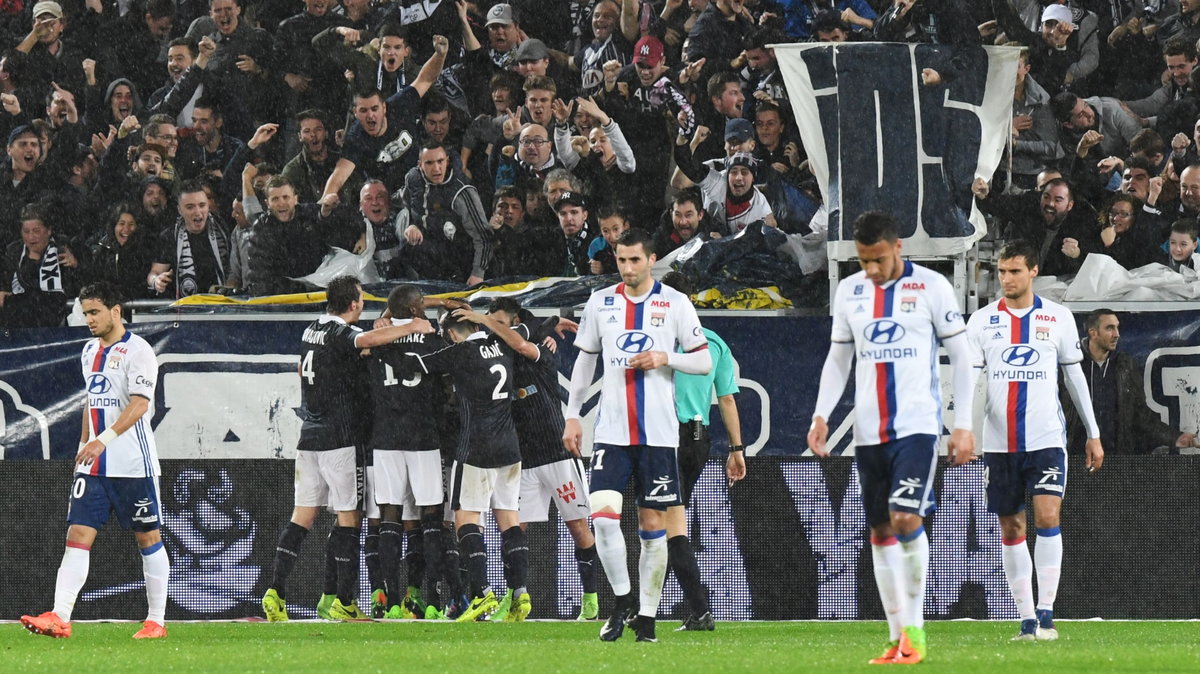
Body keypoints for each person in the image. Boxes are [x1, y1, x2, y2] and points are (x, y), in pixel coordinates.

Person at [806, 211, 976, 665]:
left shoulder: (932, 287)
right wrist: (822, 414)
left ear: (897, 246)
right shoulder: (850, 291)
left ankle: (916, 632)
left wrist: (963, 424)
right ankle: (895, 635)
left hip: (917, 427)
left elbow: (962, 356)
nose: (871, 270)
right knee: (880, 529)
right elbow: (839, 359)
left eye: (878, 259)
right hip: (868, 433)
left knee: (904, 519)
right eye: (863, 261)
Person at [563, 227, 712, 643]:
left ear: (651, 259)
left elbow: (703, 363)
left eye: (634, 260)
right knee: (603, 517)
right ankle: (624, 598)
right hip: (611, 433)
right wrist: (573, 415)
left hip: (660, 436)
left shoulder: (675, 303)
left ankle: (646, 616)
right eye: (620, 259)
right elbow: (584, 362)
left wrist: (666, 357)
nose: (626, 267)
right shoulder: (600, 302)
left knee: (652, 529)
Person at [262, 276, 434, 622]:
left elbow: (306, 367)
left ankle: (275, 591)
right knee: (349, 521)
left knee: (301, 518)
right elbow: (366, 339)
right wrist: (413, 325)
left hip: (308, 437)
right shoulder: (343, 334)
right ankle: (344, 601)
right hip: (339, 439)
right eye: (360, 299)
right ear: (354, 304)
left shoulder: (311, 330)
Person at [964, 240, 1103, 642]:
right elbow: (972, 381)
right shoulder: (981, 321)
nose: (1005, 279)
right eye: (1001, 271)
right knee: (1011, 527)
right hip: (998, 442)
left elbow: (1074, 377)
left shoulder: (1058, 318)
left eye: (1014, 271)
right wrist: (966, 429)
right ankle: (1025, 620)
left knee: (1046, 517)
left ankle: (1046, 615)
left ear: (1033, 271)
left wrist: (1092, 434)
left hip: (1045, 437)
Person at [20, 282, 170, 640]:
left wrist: (103, 440)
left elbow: (140, 404)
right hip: (95, 464)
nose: (88, 319)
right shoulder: (89, 351)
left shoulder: (139, 350)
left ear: (115, 311)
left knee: (147, 536)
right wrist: (84, 442)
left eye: (94, 312)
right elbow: (92, 399)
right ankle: (60, 616)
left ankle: (156, 621)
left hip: (133, 462)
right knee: (77, 534)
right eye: (85, 313)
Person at [407, 307, 541, 623]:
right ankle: (520, 593)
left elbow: (413, 365)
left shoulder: (460, 353)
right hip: (510, 448)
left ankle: (482, 594)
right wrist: (486, 320)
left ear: (452, 333)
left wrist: (403, 332)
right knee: (509, 520)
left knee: (466, 520)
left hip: (476, 449)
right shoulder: (505, 341)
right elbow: (532, 326)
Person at [485, 297, 600, 621]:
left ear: (517, 322)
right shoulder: (497, 358)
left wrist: (543, 326)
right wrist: (546, 323)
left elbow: (522, 342)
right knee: (512, 529)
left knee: (578, 527)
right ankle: (516, 597)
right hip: (522, 459)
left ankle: (590, 598)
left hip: (556, 454)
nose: (495, 331)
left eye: (500, 324)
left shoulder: (538, 350)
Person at [659, 271, 746, 632]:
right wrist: (737, 449)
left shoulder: (658, 343)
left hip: (665, 437)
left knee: (665, 526)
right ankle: (656, 607)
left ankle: (696, 608)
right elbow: (726, 399)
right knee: (666, 525)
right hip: (699, 439)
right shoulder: (713, 342)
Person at [1063, 309, 1198, 454]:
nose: (1117, 334)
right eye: (1110, 328)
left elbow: (1141, 415)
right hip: (1076, 458)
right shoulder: (1069, 365)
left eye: (1117, 327)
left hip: (1116, 458)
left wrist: (1174, 438)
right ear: (1093, 333)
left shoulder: (1125, 365)